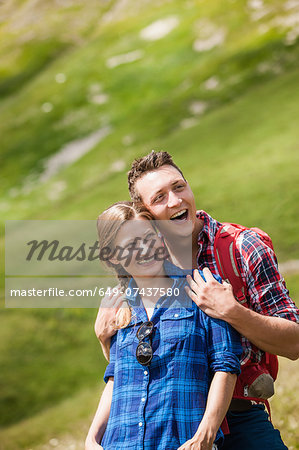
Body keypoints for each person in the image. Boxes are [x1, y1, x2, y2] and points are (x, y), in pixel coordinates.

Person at [95, 151, 299, 450]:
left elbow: (295, 344)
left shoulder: (243, 247)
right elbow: (133, 371)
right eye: (160, 197)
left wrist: (232, 312)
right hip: (163, 422)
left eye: (179, 187)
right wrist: (105, 340)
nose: (176, 201)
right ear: (148, 215)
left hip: (239, 414)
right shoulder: (143, 261)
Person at [85, 202, 242, 450]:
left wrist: (204, 436)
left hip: (182, 443)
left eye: (148, 238)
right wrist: (91, 439)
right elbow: (116, 380)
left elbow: (226, 366)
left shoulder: (201, 288)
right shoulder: (119, 306)